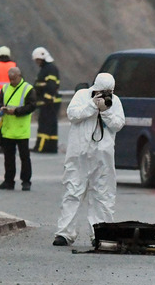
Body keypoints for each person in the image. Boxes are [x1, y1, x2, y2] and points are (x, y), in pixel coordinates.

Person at [53, 72, 125, 246]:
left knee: (103, 194)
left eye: (109, 92)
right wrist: (92, 106)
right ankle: (65, 233)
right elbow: (72, 114)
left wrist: (105, 111)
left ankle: (102, 233)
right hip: (79, 154)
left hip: (103, 156)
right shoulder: (82, 96)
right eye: (103, 92)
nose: (105, 95)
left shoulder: (114, 102)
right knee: (72, 191)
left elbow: (118, 124)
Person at [0, 67, 37, 191]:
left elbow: (32, 106)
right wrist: (1, 108)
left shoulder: (28, 89)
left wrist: (16, 111)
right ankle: (8, 181)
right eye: (10, 79)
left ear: (19, 76)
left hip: (21, 129)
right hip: (7, 129)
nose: (12, 81)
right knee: (8, 158)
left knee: (24, 157)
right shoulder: (5, 88)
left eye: (14, 78)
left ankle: (26, 181)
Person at [31, 46, 62, 153]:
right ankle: (51, 147)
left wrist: (46, 100)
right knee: (51, 125)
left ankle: (41, 147)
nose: (37, 62)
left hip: (49, 103)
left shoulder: (49, 69)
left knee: (44, 125)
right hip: (50, 102)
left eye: (37, 60)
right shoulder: (46, 69)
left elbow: (51, 86)